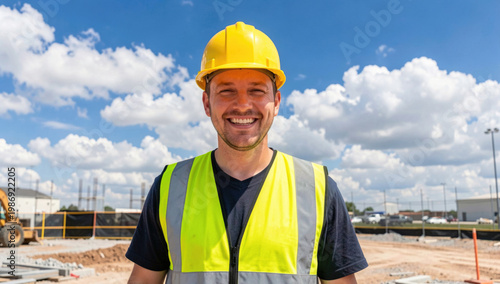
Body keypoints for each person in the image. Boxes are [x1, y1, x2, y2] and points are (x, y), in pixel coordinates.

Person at [126, 21, 368, 284]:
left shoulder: (317, 189)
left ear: (275, 102)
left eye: (256, 90)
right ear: (207, 103)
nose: (242, 105)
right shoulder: (170, 187)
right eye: (227, 91)